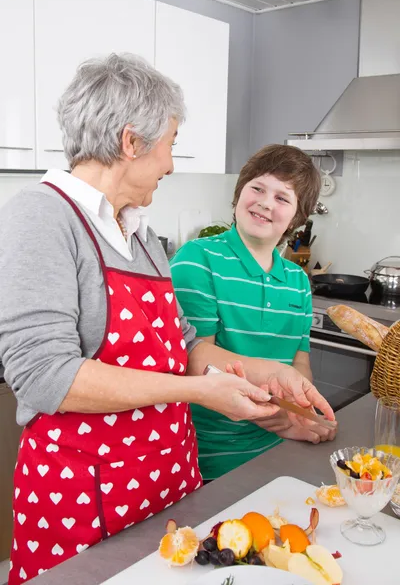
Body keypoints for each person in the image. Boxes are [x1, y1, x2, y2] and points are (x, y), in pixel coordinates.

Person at [0, 55, 334, 583]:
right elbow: (43, 376)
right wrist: (201, 393)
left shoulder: (140, 234)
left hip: (166, 480)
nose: (172, 164)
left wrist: (265, 371)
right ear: (133, 142)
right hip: (84, 491)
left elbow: (186, 346)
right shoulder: (42, 215)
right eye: (170, 143)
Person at [170, 144, 337, 481]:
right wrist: (264, 408)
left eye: (282, 198)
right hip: (207, 457)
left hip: (278, 454)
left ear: (298, 217)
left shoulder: (297, 282)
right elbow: (192, 361)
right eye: (257, 188)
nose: (265, 202)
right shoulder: (198, 259)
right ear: (239, 192)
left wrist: (297, 414)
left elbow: (299, 363)